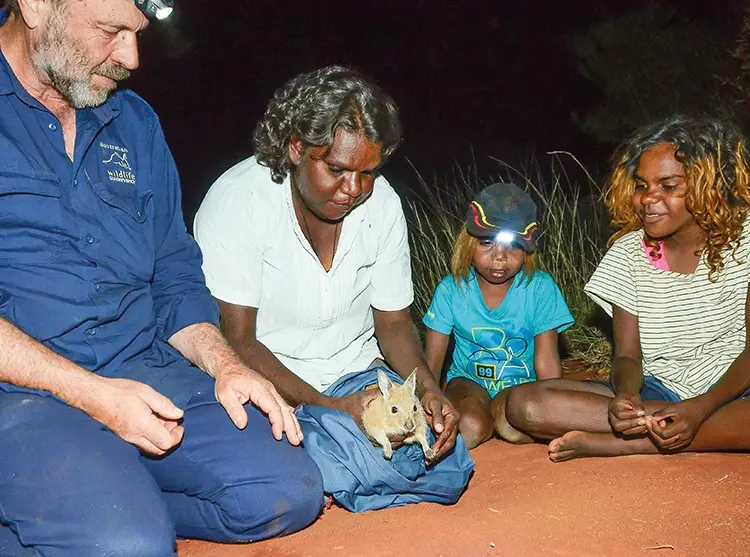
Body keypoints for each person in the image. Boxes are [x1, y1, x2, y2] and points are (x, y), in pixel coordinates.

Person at [0, 1, 324, 555]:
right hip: (22, 390)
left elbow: (173, 272)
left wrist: (225, 366)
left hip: (141, 367)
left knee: (287, 489)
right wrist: (96, 399)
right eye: (111, 31)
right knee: (128, 544)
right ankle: (102, 514)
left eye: (137, 33)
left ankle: (102, 499)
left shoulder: (134, 122)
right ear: (34, 5)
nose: (131, 56)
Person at [194, 65, 466, 494]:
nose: (354, 188)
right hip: (273, 381)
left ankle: (343, 462)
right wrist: (332, 408)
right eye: (337, 169)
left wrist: (428, 392)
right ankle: (328, 457)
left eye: (369, 172)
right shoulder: (239, 201)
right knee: (333, 467)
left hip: (357, 376)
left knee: (447, 457)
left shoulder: (383, 207)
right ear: (297, 148)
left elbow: (393, 324)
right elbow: (238, 340)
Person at [505, 114, 750, 462]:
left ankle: (632, 442)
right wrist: (626, 396)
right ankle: (669, 426)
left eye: (668, 186)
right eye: (641, 185)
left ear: (709, 184)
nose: (648, 198)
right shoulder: (627, 255)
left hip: (733, 390)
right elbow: (627, 356)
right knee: (524, 405)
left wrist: (699, 409)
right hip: (659, 387)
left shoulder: (746, 240)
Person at [422, 183, 574, 449]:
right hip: (467, 381)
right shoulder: (451, 289)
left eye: (513, 247)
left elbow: (548, 362)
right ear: (468, 243)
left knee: (511, 425)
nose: (500, 258)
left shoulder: (539, 287)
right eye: (487, 243)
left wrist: (551, 409)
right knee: (468, 426)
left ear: (527, 250)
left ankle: (500, 422)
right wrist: (428, 402)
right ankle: (484, 421)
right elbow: (432, 365)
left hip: (520, 386)